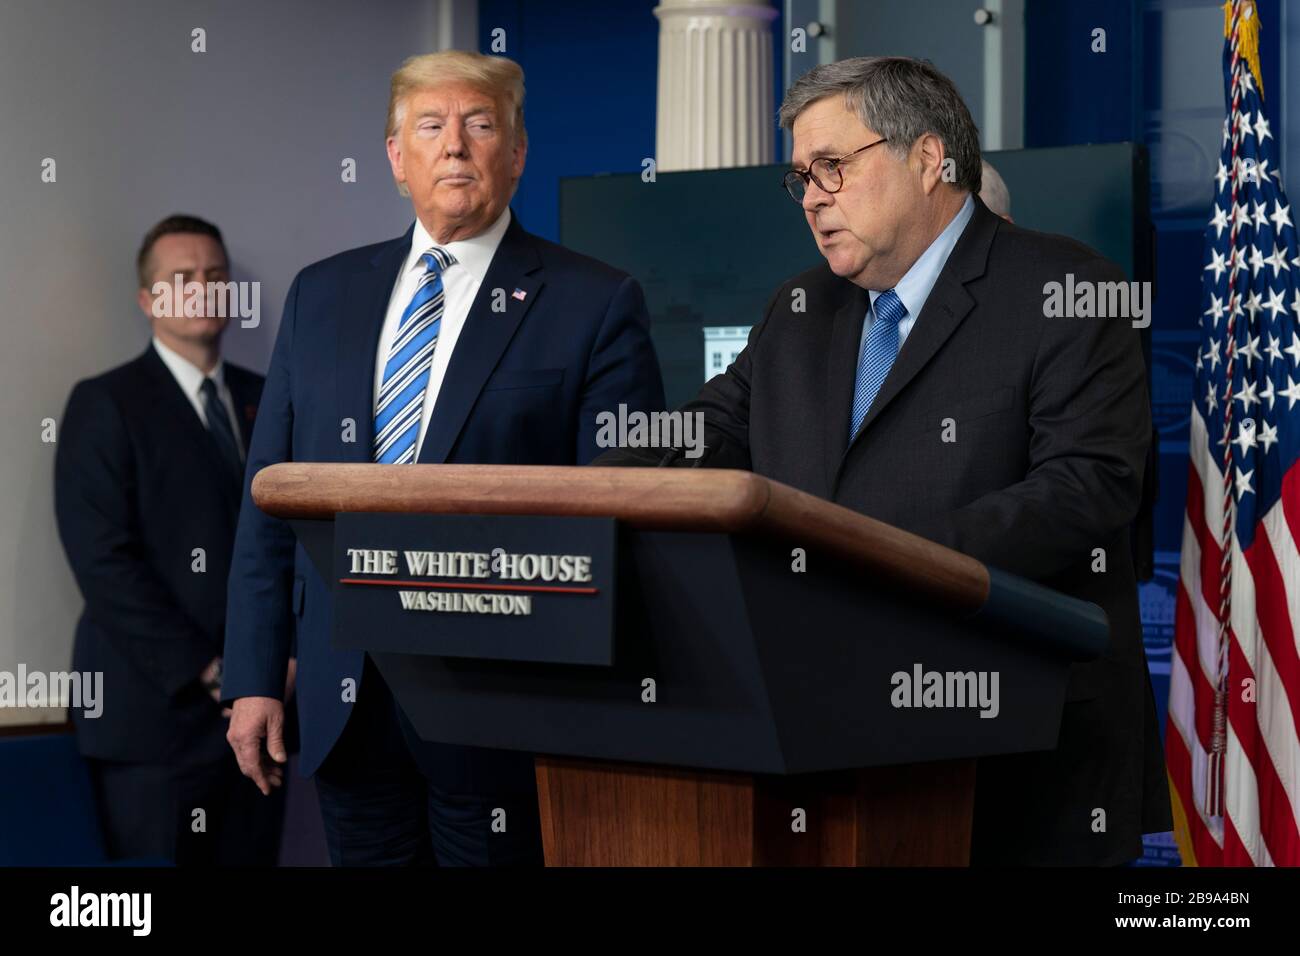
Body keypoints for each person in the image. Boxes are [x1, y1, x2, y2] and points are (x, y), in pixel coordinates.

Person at [596, 56, 1170, 866]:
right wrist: (586, 487)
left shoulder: (1066, 285)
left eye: (833, 166)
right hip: (822, 738)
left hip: (1017, 751)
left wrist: (870, 563)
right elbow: (698, 438)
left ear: (929, 157)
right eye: (801, 177)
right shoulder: (799, 311)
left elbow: (1088, 490)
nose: (813, 197)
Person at [223, 50, 665, 866]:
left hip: (504, 705)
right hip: (344, 701)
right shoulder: (320, 295)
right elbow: (267, 502)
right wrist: (253, 677)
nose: (455, 145)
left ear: (519, 152)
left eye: (481, 124)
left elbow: (623, 514)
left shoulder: (594, 301)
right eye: (430, 126)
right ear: (397, 158)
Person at [54, 214, 287, 864]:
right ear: (148, 299)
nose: (204, 289)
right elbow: (104, 563)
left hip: (262, 713)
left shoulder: (269, 399)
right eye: (182, 278)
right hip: (153, 721)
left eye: (216, 276)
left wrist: (277, 664)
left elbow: (295, 545)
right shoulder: (105, 403)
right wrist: (213, 673)